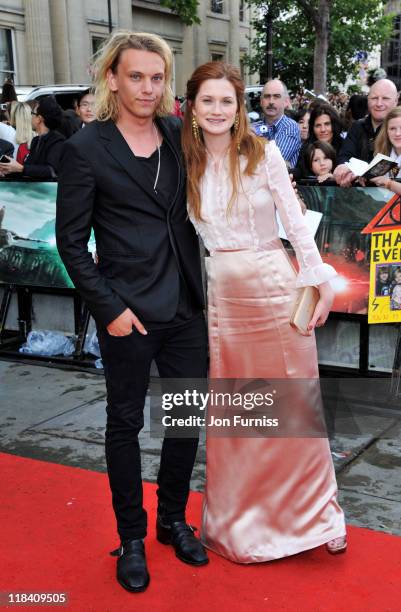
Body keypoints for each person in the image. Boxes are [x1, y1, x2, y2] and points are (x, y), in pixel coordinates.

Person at [56, 31, 208, 594]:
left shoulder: (178, 134)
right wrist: (110, 309)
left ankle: (172, 520)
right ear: (113, 79)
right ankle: (133, 536)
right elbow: (70, 243)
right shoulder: (84, 148)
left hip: (187, 307)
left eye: (157, 77)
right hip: (128, 314)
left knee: (186, 421)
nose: (148, 87)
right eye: (137, 76)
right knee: (124, 424)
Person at [182, 61, 347, 564]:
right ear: (192, 107)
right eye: (207, 101)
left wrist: (317, 279)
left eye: (226, 101)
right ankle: (243, 523)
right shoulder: (182, 160)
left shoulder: (264, 153)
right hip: (223, 306)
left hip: (275, 293)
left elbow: (296, 224)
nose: (216, 110)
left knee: (295, 411)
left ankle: (321, 517)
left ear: (240, 108)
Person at [334, 79, 398, 187]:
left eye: (385, 98)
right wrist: (344, 168)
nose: (379, 103)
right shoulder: (357, 127)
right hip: (358, 196)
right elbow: (344, 156)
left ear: (396, 101)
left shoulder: (398, 131)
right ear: (367, 100)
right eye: (374, 98)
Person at [0, 96, 65, 178]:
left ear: (39, 119)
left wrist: (21, 168)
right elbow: (29, 169)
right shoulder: (36, 140)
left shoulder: (57, 141)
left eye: (32, 113)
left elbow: (50, 170)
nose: (30, 117)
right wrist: (8, 170)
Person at [252, 79, 301, 167]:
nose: (271, 101)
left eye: (276, 96)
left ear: (286, 101)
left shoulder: (290, 127)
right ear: (261, 101)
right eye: (267, 96)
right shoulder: (252, 127)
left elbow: (275, 163)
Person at [296, 103, 344, 177]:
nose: (323, 129)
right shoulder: (306, 148)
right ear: (312, 128)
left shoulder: (345, 146)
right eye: (318, 125)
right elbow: (300, 171)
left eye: (327, 124)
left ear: (334, 125)